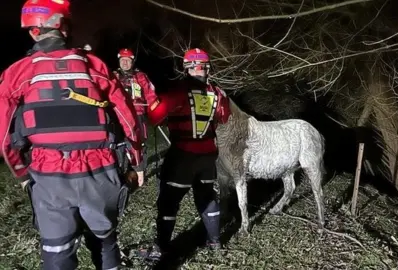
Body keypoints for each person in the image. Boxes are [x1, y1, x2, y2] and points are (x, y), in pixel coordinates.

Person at [0, 1, 145, 269]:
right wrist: (137, 162)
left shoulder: (17, 73)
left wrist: (22, 174)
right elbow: (128, 119)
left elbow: (4, 138)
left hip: (49, 176)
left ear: (33, 32)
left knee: (57, 251)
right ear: (63, 27)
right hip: (100, 171)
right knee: (104, 241)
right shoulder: (95, 66)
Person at [138, 48, 231, 260]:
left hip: (182, 157)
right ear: (207, 67)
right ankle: (215, 242)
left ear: (187, 68)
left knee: (169, 202)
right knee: (207, 197)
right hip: (208, 156)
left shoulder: (178, 91)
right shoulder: (218, 93)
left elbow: (154, 116)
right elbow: (224, 118)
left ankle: (162, 246)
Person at [113, 48, 158, 173]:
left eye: (127, 60)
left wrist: (155, 111)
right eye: (122, 60)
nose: (125, 63)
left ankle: (138, 170)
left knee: (139, 142)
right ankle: (120, 169)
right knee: (119, 143)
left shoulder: (140, 76)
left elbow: (151, 94)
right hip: (119, 115)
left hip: (138, 115)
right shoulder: (113, 76)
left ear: (132, 62)